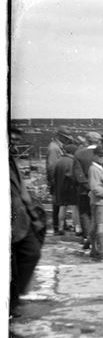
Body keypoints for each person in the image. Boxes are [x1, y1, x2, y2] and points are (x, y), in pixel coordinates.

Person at [9, 127, 45, 306]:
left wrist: (33, 215)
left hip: (21, 217)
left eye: (16, 140)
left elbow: (22, 189)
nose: (14, 143)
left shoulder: (11, 160)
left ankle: (16, 294)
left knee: (32, 252)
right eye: (11, 139)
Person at [73, 131, 103, 248]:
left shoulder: (78, 154)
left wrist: (87, 186)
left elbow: (78, 174)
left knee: (85, 213)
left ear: (87, 141)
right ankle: (101, 242)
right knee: (99, 217)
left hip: (84, 190)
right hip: (99, 190)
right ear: (98, 141)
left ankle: (87, 237)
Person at [46, 126, 74, 234]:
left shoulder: (58, 146)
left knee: (62, 203)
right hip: (57, 181)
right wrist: (53, 182)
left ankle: (63, 225)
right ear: (59, 136)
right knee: (57, 204)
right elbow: (51, 166)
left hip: (59, 180)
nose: (67, 140)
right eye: (65, 137)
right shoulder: (54, 148)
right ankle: (57, 228)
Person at [88, 146, 103, 259]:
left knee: (96, 226)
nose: (102, 158)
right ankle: (102, 250)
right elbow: (94, 187)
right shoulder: (94, 169)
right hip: (100, 201)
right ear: (95, 156)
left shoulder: (98, 168)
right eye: (100, 156)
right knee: (100, 225)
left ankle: (94, 248)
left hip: (99, 201)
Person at [53, 143, 79, 235]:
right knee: (74, 208)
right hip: (70, 188)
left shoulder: (58, 161)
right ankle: (77, 228)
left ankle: (60, 227)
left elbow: (54, 175)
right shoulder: (71, 162)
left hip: (60, 188)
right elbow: (72, 176)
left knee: (62, 207)